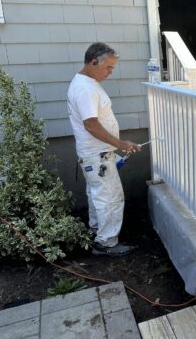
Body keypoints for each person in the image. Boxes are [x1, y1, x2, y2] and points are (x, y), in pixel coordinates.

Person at [67, 42, 140, 256]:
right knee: (110, 197)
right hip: (97, 156)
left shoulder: (87, 82)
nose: (110, 72)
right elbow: (91, 124)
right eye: (108, 67)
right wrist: (121, 144)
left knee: (98, 194)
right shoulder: (85, 89)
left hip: (96, 154)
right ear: (92, 62)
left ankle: (97, 231)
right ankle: (106, 243)